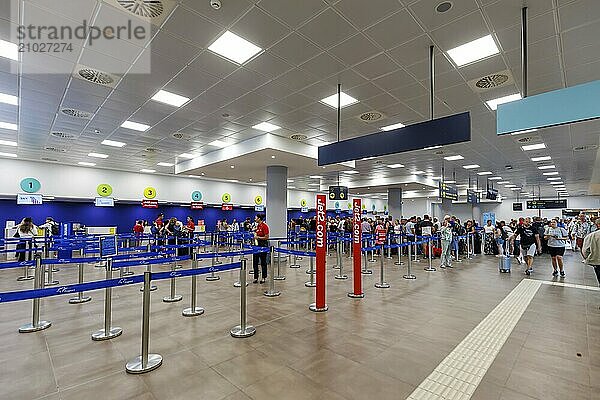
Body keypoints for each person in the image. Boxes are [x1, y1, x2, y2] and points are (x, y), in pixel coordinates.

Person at [582, 218, 600, 286]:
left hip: (597, 262)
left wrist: (589, 258)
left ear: (597, 225)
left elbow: (585, 250)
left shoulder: (591, 236)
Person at [252, 214, 269, 284]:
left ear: (259, 218)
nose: (255, 219)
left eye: (255, 218)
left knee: (263, 262)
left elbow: (266, 237)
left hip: (263, 245)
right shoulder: (257, 226)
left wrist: (258, 237)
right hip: (256, 246)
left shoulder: (265, 226)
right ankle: (256, 277)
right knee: (255, 262)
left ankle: (263, 277)